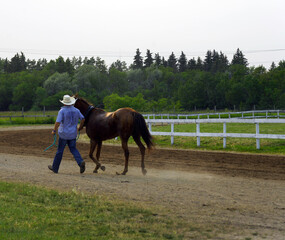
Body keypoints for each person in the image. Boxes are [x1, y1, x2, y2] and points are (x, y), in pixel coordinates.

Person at [48, 95, 86, 174]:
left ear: (64, 103)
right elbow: (83, 119)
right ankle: (80, 162)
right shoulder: (76, 110)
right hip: (73, 134)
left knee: (60, 151)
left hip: (64, 134)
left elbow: (58, 122)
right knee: (73, 149)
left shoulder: (62, 111)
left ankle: (55, 168)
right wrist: (80, 127)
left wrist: (54, 130)